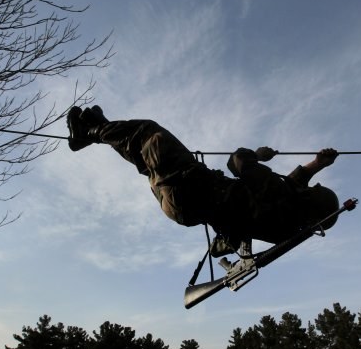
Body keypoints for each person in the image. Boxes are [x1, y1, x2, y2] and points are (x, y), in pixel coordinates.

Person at [67, 105, 340, 256]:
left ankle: (90, 131)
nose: (308, 188)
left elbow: (237, 161)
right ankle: (99, 127)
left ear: (311, 201)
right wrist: (317, 164)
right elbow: (292, 187)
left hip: (189, 188)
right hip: (180, 203)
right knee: (145, 151)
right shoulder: (288, 223)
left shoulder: (280, 200)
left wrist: (256, 154)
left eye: (313, 191)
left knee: (150, 134)